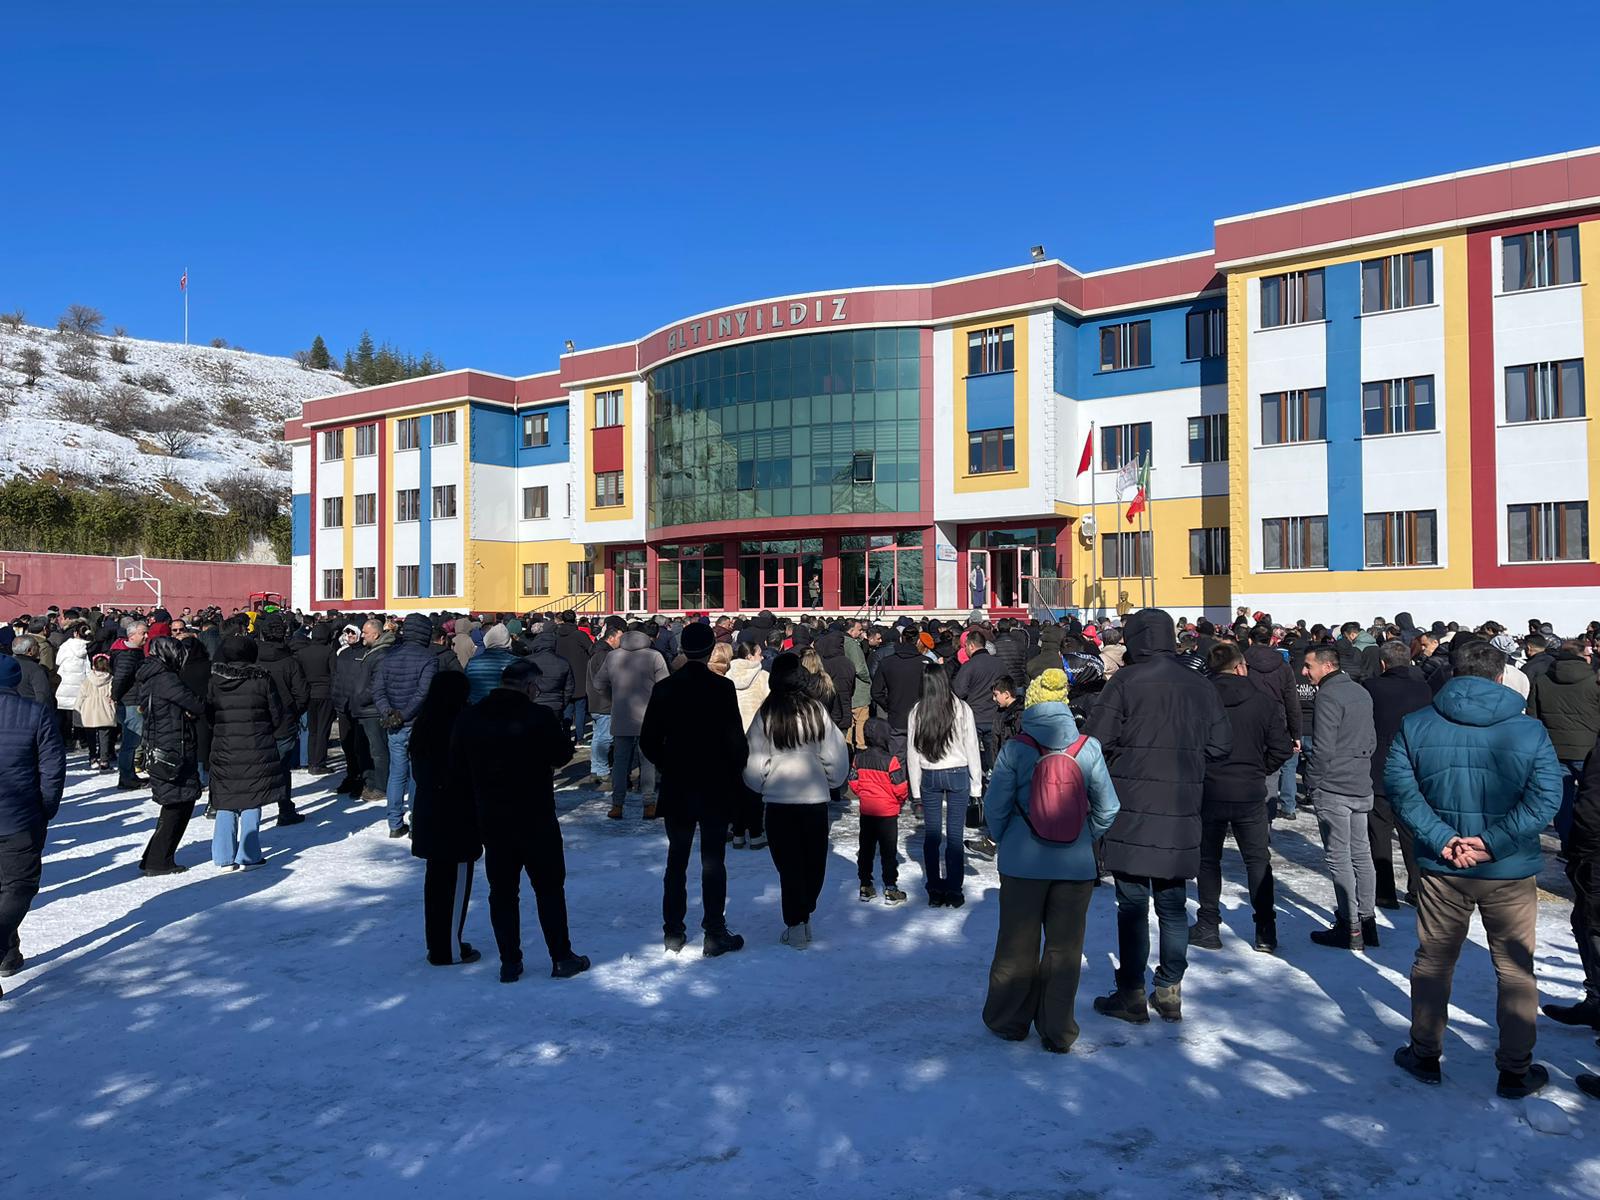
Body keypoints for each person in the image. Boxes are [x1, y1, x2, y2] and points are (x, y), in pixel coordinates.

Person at [1386, 639, 1562, 1099]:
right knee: (1515, 969)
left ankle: (1425, 1053)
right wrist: (1489, 844)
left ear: (1452, 672)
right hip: (1507, 868)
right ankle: (1515, 1069)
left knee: (1433, 962)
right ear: (1502, 676)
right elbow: (1546, 798)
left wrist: (1446, 840)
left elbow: (1402, 792)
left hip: (1445, 866)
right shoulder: (1529, 731)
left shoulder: (1416, 725)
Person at [1087, 608, 1230, 1025]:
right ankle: (1169, 989)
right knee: (1172, 904)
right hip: (1181, 805)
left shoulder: (1125, 682)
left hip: (1131, 806)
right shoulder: (1199, 684)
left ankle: (1131, 992)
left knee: (1132, 905)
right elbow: (1221, 744)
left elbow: (1095, 739)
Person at [981, 668, 1119, 1053]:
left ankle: (1009, 1020)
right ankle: (1057, 1029)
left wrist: (1006, 838)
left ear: (1031, 705)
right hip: (1075, 868)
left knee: (1016, 945)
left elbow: (996, 806)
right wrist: (1083, 835)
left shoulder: (1016, 748)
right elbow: (1109, 807)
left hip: (1021, 864)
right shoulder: (1088, 748)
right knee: (1064, 950)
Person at [453, 659, 588, 983]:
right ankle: (561, 956)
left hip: (493, 815)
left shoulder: (471, 717)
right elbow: (562, 755)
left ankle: (510, 961)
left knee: (502, 892)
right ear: (529, 686)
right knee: (549, 889)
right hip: (535, 814)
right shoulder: (538, 716)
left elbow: (456, 763)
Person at [640, 622, 749, 957]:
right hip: (714, 783)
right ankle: (714, 931)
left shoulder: (666, 688)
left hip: (679, 783)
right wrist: (733, 769)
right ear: (710, 650)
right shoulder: (722, 688)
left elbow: (648, 741)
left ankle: (673, 931)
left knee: (677, 859)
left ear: (682, 650)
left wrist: (668, 763)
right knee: (713, 860)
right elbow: (736, 741)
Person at [1190, 643, 1292, 953]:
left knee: (1208, 860)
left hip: (1211, 789)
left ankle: (1209, 923)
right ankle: (1265, 929)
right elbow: (1282, 748)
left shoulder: (1199, 700)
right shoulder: (1263, 701)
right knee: (1257, 860)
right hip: (1248, 790)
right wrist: (1260, 769)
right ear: (1240, 667)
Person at [743, 653, 849, 947]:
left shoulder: (767, 713)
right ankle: (803, 912)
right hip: (813, 798)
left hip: (778, 800)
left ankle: (796, 920)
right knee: (814, 861)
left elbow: (754, 759)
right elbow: (835, 753)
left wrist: (761, 783)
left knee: (788, 865)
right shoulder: (816, 711)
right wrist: (831, 780)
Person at [1302, 645, 1379, 950]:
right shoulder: (1361, 691)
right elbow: (1371, 739)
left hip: (1334, 784)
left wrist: (1312, 780)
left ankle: (1350, 926)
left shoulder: (1328, 695)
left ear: (1327, 666)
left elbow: (1322, 748)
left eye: (1308, 666)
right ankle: (1367, 921)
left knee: (1339, 856)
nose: (1304, 672)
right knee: (1361, 853)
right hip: (1360, 781)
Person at [0, 654, 65, 994]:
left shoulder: (34, 714)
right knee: (19, 886)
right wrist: (46, 807)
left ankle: (9, 953)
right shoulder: (35, 713)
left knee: (8, 886)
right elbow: (52, 767)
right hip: (20, 817)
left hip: (20, 813)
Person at [409, 672, 481, 965]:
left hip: (429, 810)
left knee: (436, 884)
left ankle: (438, 941)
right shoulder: (461, 723)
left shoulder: (424, 723)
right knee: (455, 883)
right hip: (456, 814)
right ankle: (447, 947)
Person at [1362, 640, 1434, 908]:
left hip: (1379, 766)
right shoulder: (1424, 689)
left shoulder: (1371, 687)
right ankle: (1417, 888)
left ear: (1383, 663)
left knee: (1379, 832)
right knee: (1412, 833)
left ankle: (1384, 892)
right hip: (1413, 769)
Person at [906, 662, 983, 907]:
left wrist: (915, 790)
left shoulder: (917, 711)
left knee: (931, 835)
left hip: (929, 774)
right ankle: (954, 890)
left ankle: (934, 889)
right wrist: (977, 785)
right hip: (958, 772)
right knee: (955, 835)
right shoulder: (961, 708)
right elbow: (972, 746)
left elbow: (912, 752)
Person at [207, 636, 283, 870]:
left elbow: (209, 713)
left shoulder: (215, 680)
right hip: (256, 745)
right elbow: (276, 713)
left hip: (224, 745)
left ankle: (223, 856)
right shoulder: (262, 679)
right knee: (252, 798)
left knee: (225, 799)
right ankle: (249, 855)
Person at [134, 637, 205, 875]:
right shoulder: (166, 678)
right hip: (173, 746)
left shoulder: (151, 675)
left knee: (175, 802)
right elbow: (196, 704)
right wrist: (189, 712)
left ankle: (154, 856)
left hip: (161, 743)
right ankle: (158, 859)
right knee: (178, 803)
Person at [1527, 637, 1600, 850]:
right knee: (1591, 798)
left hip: (1554, 750)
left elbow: (1533, 716)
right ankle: (1587, 843)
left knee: (1561, 800)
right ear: (1582, 657)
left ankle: (1568, 843)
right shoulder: (1594, 682)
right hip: (1589, 750)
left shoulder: (1542, 680)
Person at [371, 612, 439, 838]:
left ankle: (394, 822)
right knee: (417, 774)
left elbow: (377, 690)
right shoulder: (429, 658)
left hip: (394, 723)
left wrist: (388, 712)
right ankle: (416, 821)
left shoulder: (388, 656)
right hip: (418, 722)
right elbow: (423, 692)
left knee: (397, 773)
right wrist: (404, 714)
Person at [593, 624, 667, 821]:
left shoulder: (613, 656)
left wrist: (613, 698)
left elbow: (598, 683)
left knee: (620, 762)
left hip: (621, 714)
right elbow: (664, 686)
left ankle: (617, 804)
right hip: (649, 716)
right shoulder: (654, 656)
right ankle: (649, 804)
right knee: (648, 761)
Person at [848, 718, 909, 903]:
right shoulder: (892, 761)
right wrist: (898, 801)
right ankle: (890, 888)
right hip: (887, 813)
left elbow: (853, 782)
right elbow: (901, 787)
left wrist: (864, 794)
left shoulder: (858, 758)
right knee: (888, 852)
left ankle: (865, 886)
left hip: (867, 811)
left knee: (866, 849)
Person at [1244, 626, 1302, 820]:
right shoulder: (1283, 666)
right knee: (1271, 774)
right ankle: (1265, 820)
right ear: (1271, 640)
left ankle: (1248, 819)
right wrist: (1295, 733)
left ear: (1250, 640)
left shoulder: (1242, 663)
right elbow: (1291, 702)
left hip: (1248, 722)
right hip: (1276, 722)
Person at [255, 616, 308, 826]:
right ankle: (284, 809)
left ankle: (252, 812)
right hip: (283, 720)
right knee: (282, 768)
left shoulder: (255, 660)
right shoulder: (290, 662)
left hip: (258, 721)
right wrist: (293, 712)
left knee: (257, 767)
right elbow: (302, 694)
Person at [725, 636, 770, 849]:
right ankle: (756, 833)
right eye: (759, 653)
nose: (762, 657)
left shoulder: (727, 677)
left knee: (735, 786)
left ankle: (737, 831)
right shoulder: (763, 677)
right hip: (757, 736)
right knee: (754, 787)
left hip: (733, 738)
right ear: (750, 656)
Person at [582, 618, 624, 788]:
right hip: (604, 701)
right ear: (611, 638)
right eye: (620, 638)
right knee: (605, 737)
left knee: (599, 736)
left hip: (597, 700)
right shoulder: (605, 655)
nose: (621, 642)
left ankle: (596, 769)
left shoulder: (598, 652)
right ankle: (601, 770)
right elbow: (608, 680)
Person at [292, 621, 337, 774]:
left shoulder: (302, 653)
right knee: (323, 729)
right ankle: (319, 763)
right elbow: (334, 674)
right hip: (325, 694)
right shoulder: (329, 651)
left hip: (309, 693)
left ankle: (311, 761)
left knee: (312, 730)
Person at [111, 620, 148, 790]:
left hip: (131, 700)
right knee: (131, 742)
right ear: (132, 635)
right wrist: (115, 696)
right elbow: (121, 678)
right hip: (131, 701)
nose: (146, 636)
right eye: (143, 633)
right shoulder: (128, 655)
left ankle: (129, 774)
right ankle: (126, 776)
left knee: (132, 741)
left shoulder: (133, 652)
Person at [76, 652, 117, 771]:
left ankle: (93, 758)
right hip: (105, 711)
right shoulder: (111, 679)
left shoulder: (88, 680)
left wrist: (77, 709)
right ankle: (104, 760)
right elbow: (113, 694)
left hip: (89, 711)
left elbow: (81, 696)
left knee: (91, 737)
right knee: (105, 737)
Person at [524, 627, 576, 720]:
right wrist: (562, 703)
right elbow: (569, 687)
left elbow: (520, 684)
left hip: (533, 703)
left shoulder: (527, 661)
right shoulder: (563, 662)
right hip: (555, 704)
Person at [464, 624, 517, 703]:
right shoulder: (517, 663)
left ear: (487, 639)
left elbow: (465, 687)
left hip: (477, 706)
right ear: (509, 641)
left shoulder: (472, 663)